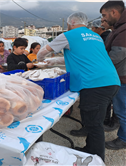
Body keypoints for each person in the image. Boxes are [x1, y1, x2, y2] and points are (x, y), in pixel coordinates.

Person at [37, 12, 120, 161]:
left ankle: (97, 159)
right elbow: (80, 55)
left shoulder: (69, 34)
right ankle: (89, 149)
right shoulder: (95, 36)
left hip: (95, 84)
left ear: (71, 22)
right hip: (110, 81)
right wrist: (55, 61)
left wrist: (40, 61)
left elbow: (42, 52)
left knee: (94, 125)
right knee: (93, 121)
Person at [100, 0, 126, 150]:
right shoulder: (119, 27)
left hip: (123, 77)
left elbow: (117, 55)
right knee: (121, 109)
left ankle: (123, 139)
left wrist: (99, 66)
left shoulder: (123, 30)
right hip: (121, 75)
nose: (103, 19)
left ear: (114, 12)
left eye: (105, 15)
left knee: (123, 111)